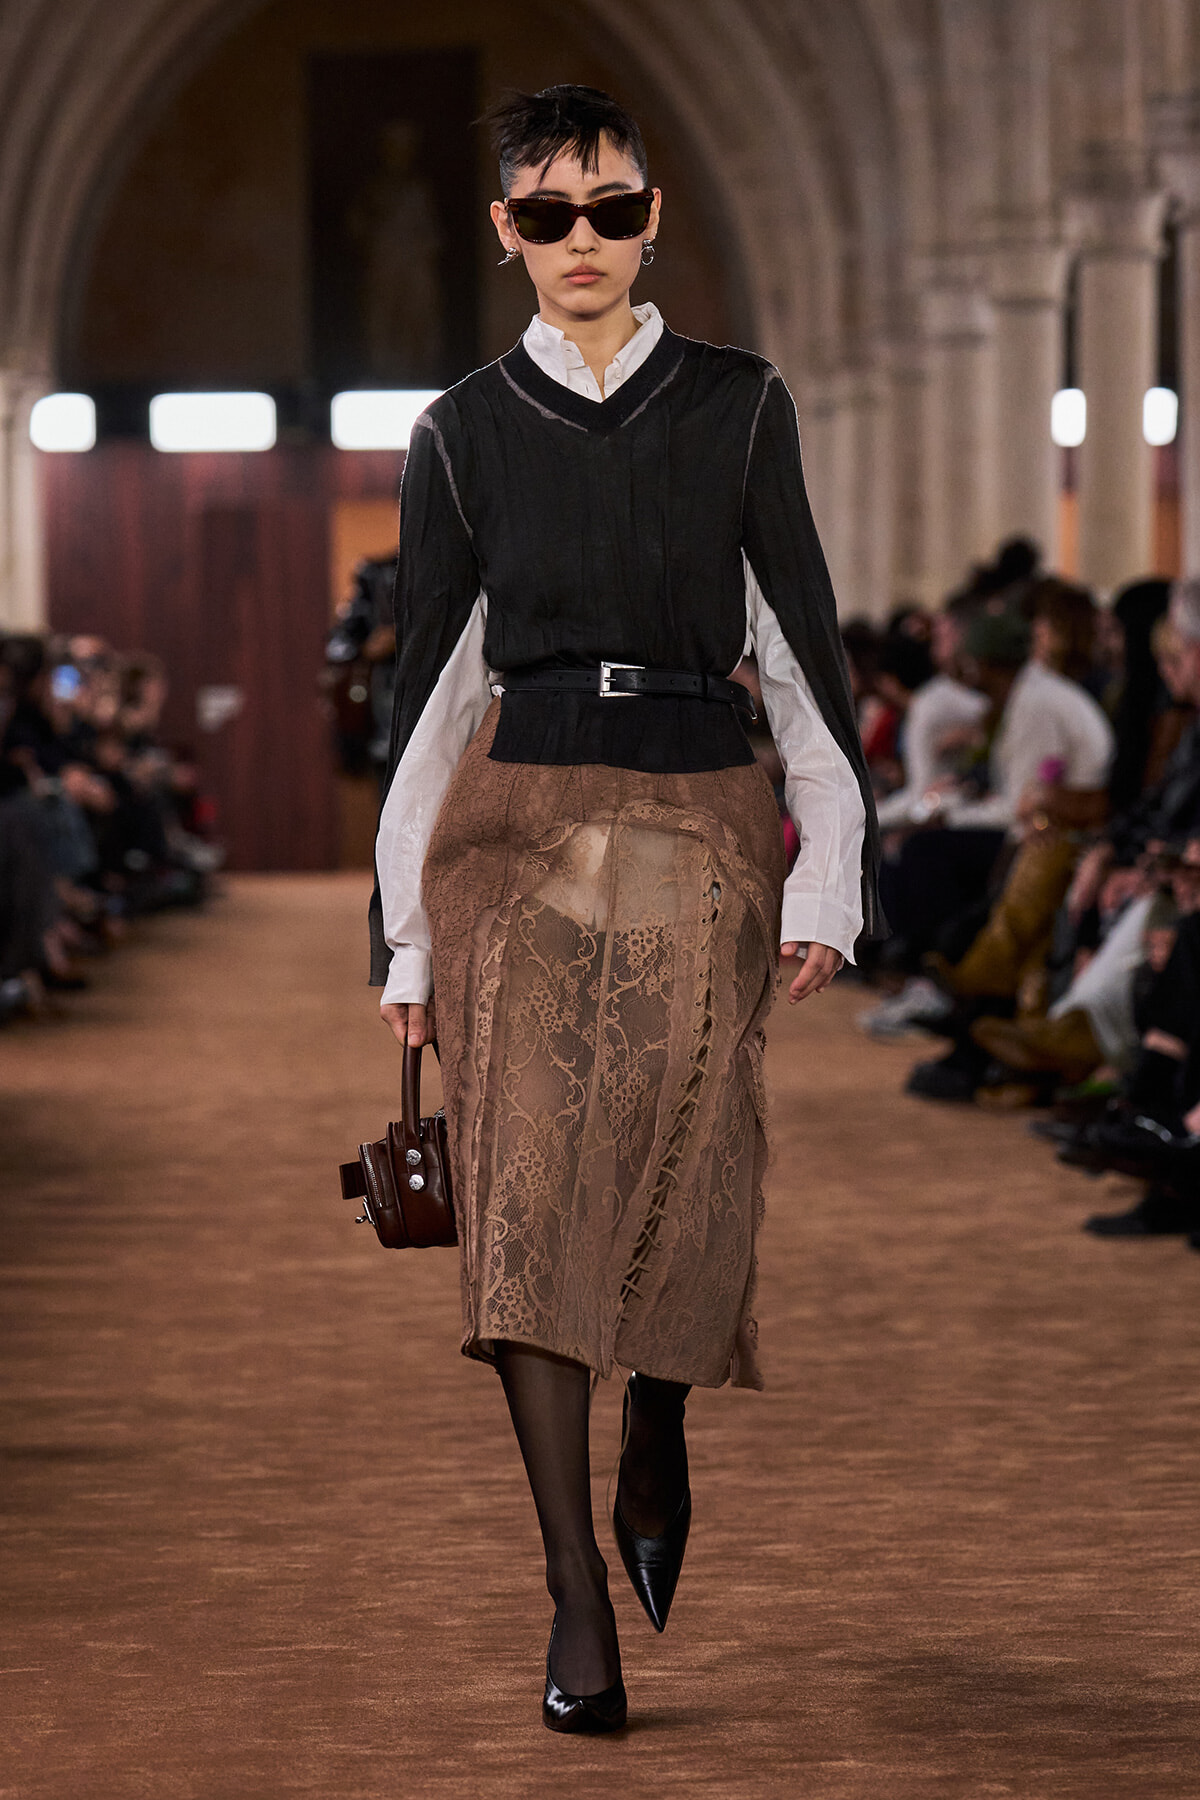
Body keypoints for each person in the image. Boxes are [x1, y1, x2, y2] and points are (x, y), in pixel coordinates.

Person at [368, 85, 880, 1734]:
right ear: (505, 230)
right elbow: (433, 694)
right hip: (514, 828)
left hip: (699, 811)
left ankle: (659, 1411)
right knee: (522, 1198)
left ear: (653, 218)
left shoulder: (739, 406)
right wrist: (409, 937)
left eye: (608, 209)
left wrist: (832, 868)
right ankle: (575, 1590)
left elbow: (797, 641)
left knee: (684, 1160)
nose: (578, 240)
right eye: (543, 213)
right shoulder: (457, 430)